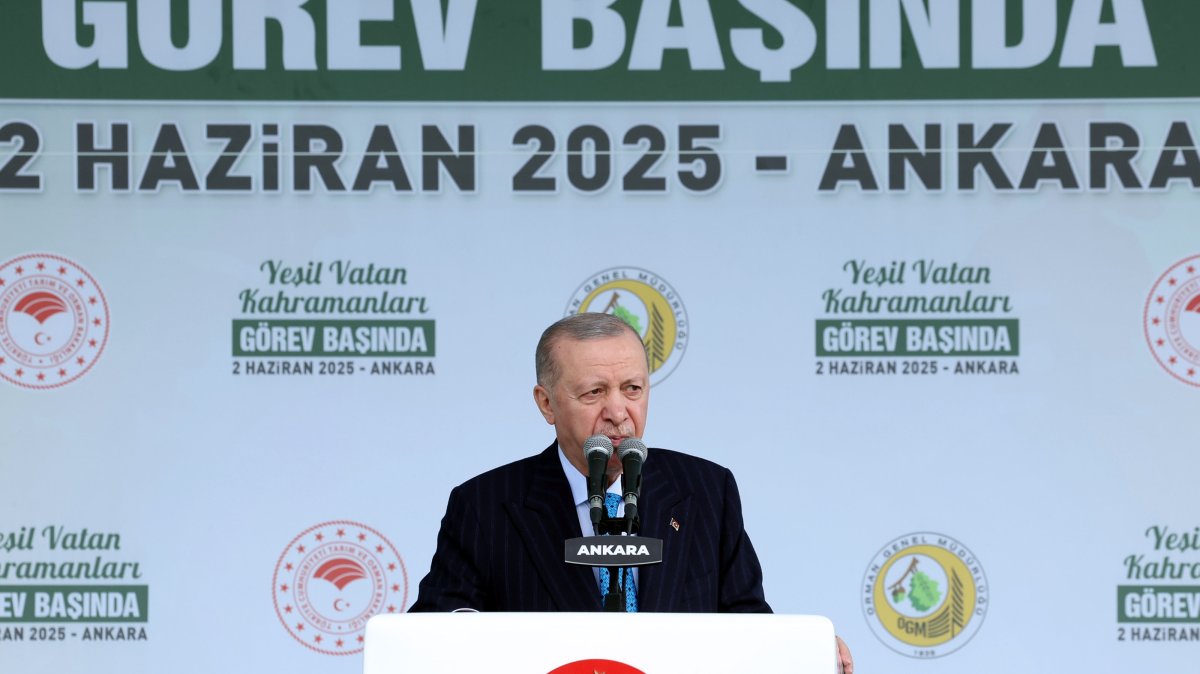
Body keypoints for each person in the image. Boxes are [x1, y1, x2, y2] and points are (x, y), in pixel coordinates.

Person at [409, 313, 853, 672]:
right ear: (546, 403)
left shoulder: (706, 491)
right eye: (594, 392)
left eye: (632, 389)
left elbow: (747, 621)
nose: (618, 412)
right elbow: (433, 637)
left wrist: (804, 651)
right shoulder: (485, 506)